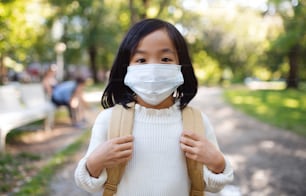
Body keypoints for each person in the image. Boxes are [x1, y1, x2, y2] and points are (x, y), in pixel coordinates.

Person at [74, 18, 234, 195]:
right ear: (126, 66)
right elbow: (87, 184)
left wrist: (218, 163)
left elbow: (213, 186)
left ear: (182, 66)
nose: (153, 69)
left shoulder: (197, 122)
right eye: (141, 60)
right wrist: (95, 161)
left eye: (165, 59)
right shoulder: (109, 120)